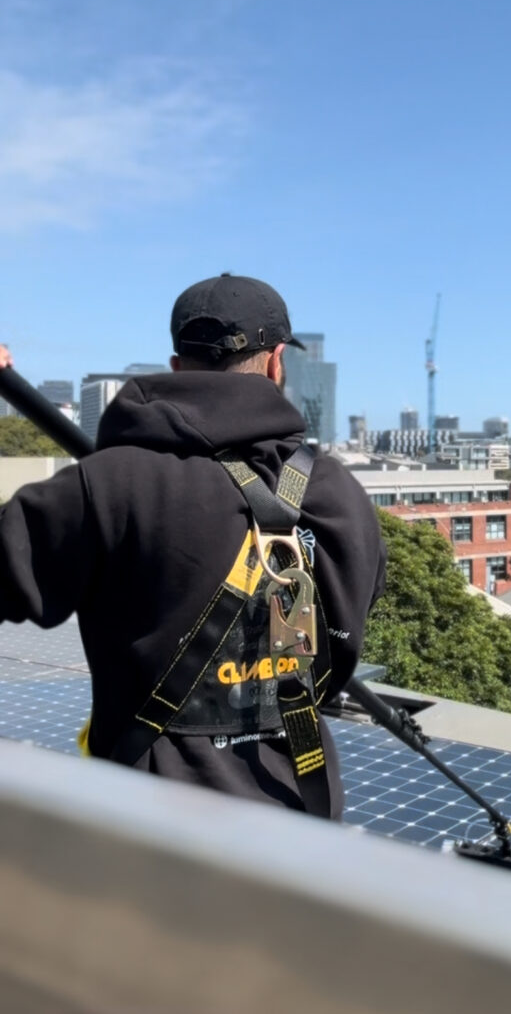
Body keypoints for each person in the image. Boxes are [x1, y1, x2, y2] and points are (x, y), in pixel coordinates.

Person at [0, 275, 386, 818]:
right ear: (277, 363)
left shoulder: (107, 485)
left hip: (150, 829)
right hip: (301, 818)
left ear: (177, 366)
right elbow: (350, 620)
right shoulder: (339, 491)